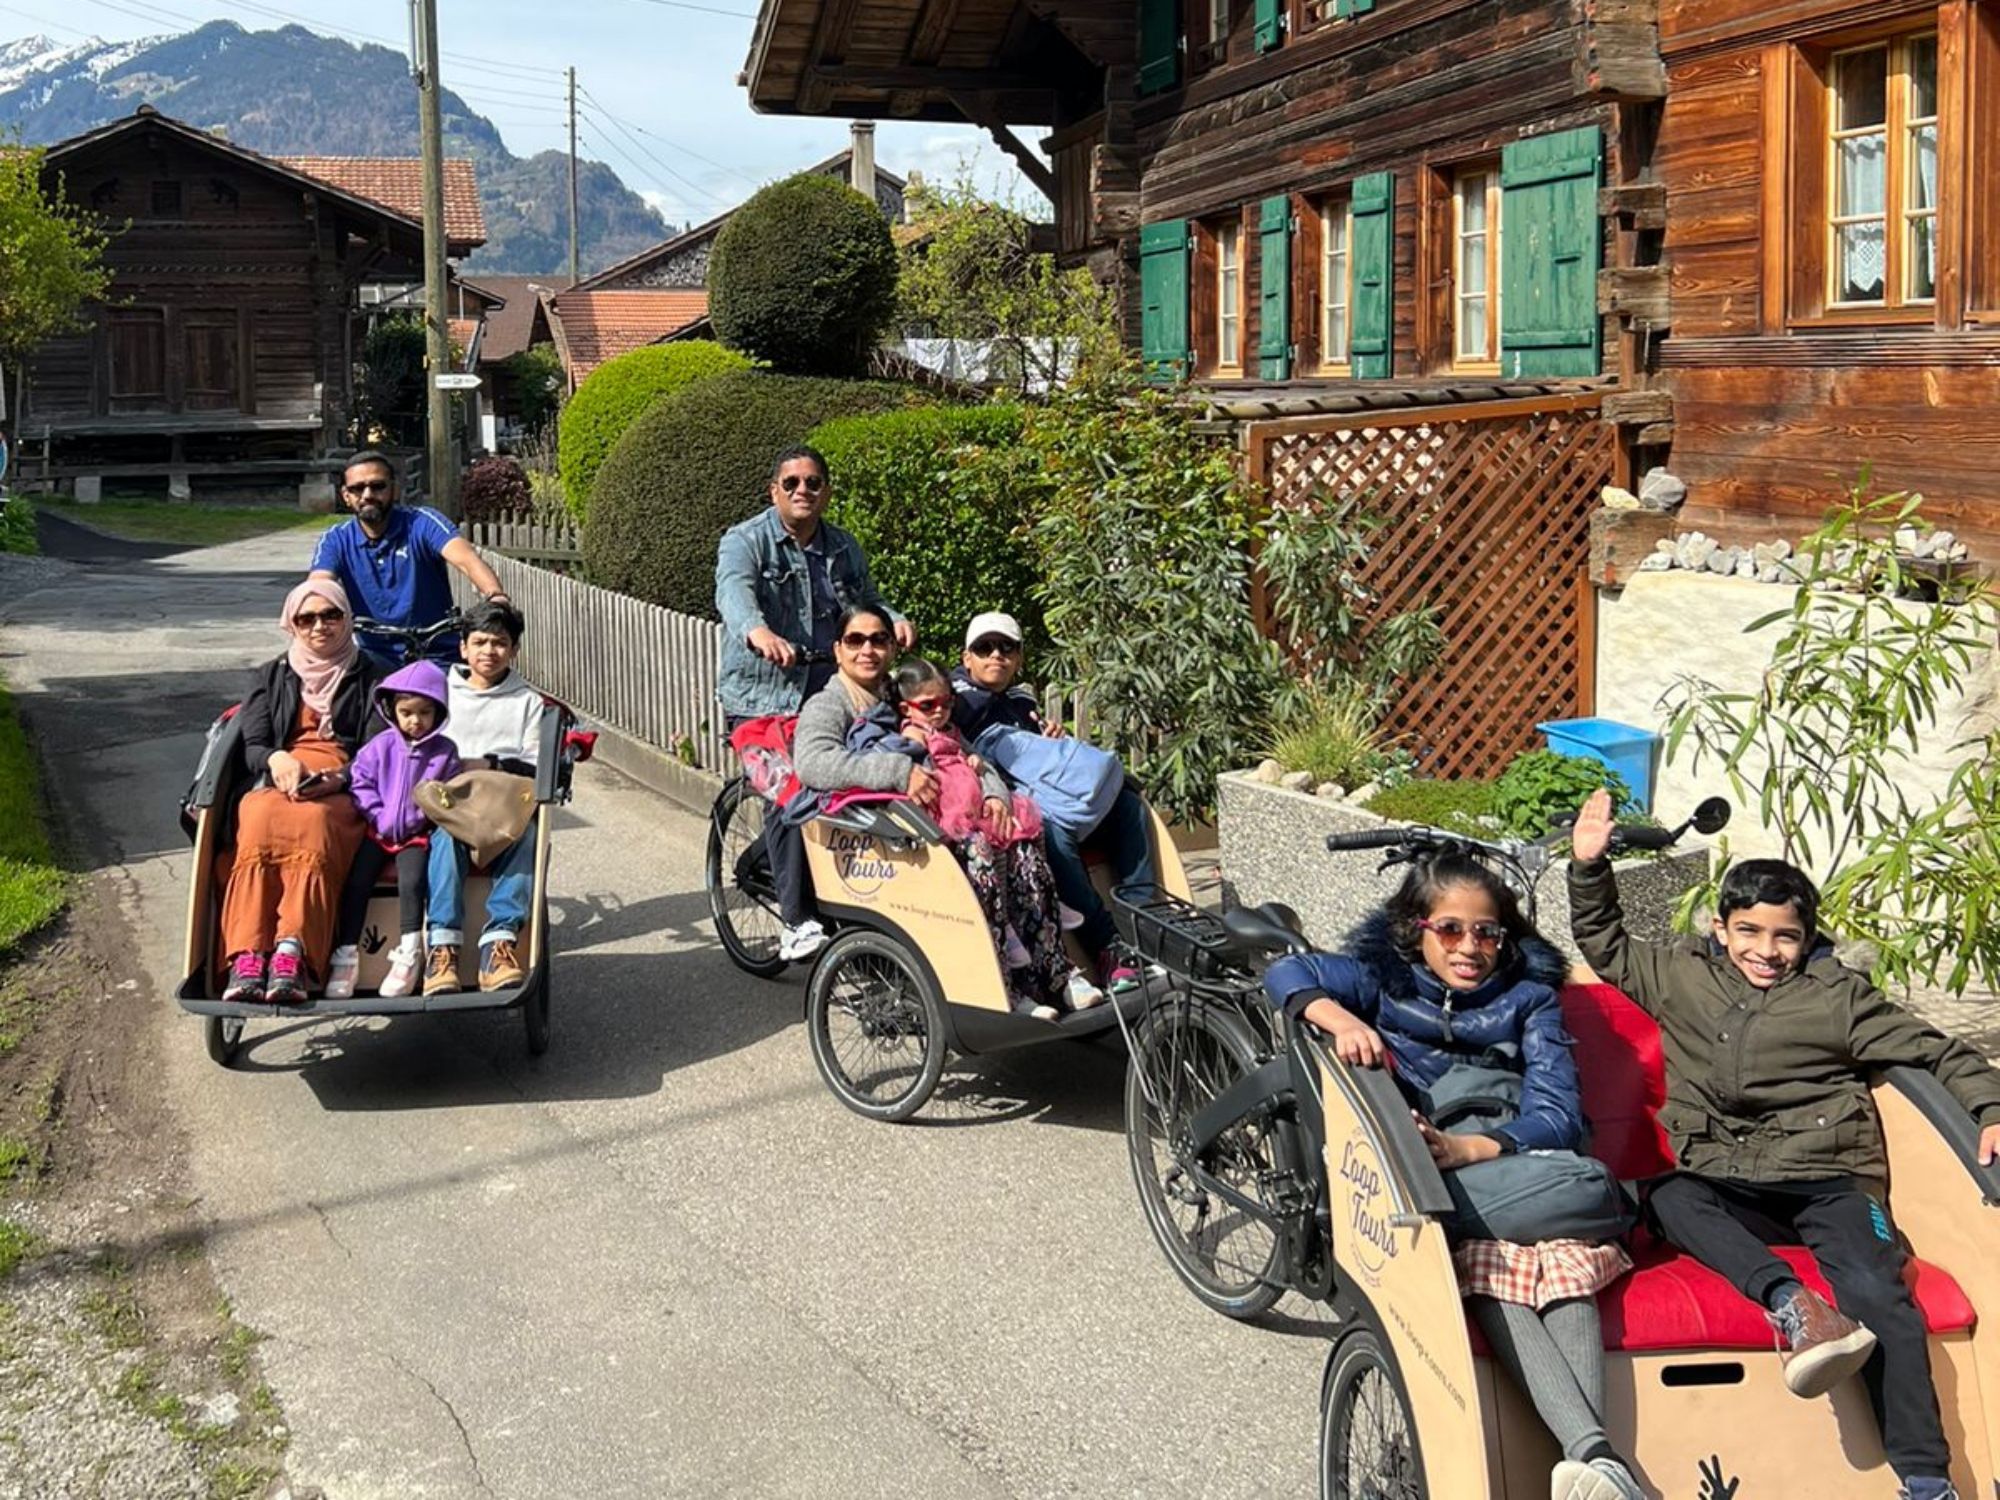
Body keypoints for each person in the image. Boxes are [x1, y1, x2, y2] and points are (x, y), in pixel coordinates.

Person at [1569, 789, 2000, 1500]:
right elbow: (1605, 942)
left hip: (1830, 1181)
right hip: (1728, 1179)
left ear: (1806, 938)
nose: (1766, 952)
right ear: (1720, 927)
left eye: (1785, 938)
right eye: (1750, 932)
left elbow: (1941, 1053)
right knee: (1671, 1195)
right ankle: (1794, 1304)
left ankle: (1926, 1480)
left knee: (1879, 1291)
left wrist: (1989, 1106)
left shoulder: (1840, 1000)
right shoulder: (1681, 977)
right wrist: (1589, 867)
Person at [1266, 852, 1644, 1500]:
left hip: (1502, 1162)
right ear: (1417, 928)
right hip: (1431, 1170)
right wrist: (1341, 1017)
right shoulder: (1381, 980)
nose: (1470, 947)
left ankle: (1597, 1462)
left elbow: (1557, 1114)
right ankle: (1598, 1462)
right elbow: (1285, 970)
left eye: (1487, 932)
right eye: (1450, 929)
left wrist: (1475, 1146)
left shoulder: (1529, 1001)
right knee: (1550, 1243)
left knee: (1539, 1235)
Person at [715, 446, 913, 961]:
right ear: (774, 491)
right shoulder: (746, 541)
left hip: (828, 694)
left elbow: (866, 599)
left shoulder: (841, 547)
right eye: (792, 483)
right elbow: (733, 592)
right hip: (761, 697)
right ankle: (796, 920)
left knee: (864, 776)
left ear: (826, 490)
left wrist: (893, 619)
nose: (803, 490)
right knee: (790, 791)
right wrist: (756, 630)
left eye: (814, 482)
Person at [850, 657, 1103, 1020]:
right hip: (941, 831)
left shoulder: (953, 731)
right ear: (906, 708)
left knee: (1024, 848)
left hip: (976, 816)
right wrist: (918, 754)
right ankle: (1007, 985)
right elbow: (898, 773)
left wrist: (986, 782)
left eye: (946, 702)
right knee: (980, 855)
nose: (939, 712)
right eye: (928, 706)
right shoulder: (906, 737)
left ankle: (1057, 968)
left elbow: (981, 763)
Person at [950, 610, 1153, 992]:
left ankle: (1146, 921)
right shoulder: (955, 699)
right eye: (985, 648)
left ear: (1019, 657)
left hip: (1044, 793)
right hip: (998, 805)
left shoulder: (1019, 699)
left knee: (1129, 807)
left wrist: (1044, 734)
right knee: (1054, 834)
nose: (996, 656)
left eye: (1006, 648)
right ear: (967, 658)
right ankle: (1106, 945)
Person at [220, 579, 385, 1003]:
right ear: (291, 625)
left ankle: (292, 951)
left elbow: (375, 750)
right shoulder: (270, 675)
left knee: (313, 821)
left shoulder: (372, 676)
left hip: (343, 784)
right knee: (256, 816)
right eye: (307, 618)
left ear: (347, 619)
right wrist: (277, 760)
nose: (320, 626)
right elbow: (254, 745)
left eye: (331, 615)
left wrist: (338, 778)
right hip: (281, 776)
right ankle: (250, 954)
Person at [424, 599, 545, 997]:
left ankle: (500, 941)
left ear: (513, 650)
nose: (489, 651)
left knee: (525, 836)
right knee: (445, 838)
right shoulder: (440, 692)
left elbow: (533, 763)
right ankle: (442, 946)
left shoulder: (528, 701)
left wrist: (486, 762)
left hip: (503, 807)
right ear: (463, 647)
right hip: (449, 805)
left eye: (499, 643)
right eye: (479, 642)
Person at [326, 661, 461, 1001]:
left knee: (413, 882)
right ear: (392, 711)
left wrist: (423, 816)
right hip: (378, 832)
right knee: (357, 881)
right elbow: (361, 783)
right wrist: (378, 815)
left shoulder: (444, 752)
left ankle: (409, 952)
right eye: (406, 712)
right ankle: (345, 955)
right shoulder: (379, 746)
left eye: (425, 713)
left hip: (418, 835)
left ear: (438, 713)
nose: (415, 721)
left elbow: (449, 793)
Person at [309, 451, 511, 660]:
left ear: (394, 489)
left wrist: (495, 596)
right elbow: (319, 585)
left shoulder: (422, 523)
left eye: (378, 486)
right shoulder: (336, 539)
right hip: (373, 656)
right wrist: (317, 611)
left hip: (437, 653)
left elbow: (467, 560)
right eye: (357, 488)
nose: (367, 495)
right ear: (346, 496)